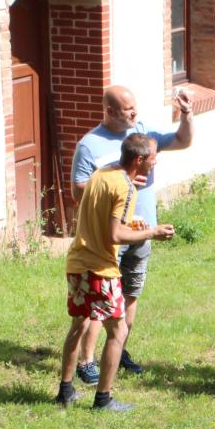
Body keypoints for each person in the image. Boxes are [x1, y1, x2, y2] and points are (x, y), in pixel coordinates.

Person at [71, 85, 194, 380]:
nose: (135, 113)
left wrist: (187, 114)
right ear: (110, 112)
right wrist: (119, 180)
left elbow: (182, 140)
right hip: (109, 237)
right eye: (128, 109)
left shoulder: (142, 132)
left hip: (143, 229)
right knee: (100, 301)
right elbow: (77, 191)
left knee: (130, 293)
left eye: (134, 107)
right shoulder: (90, 145)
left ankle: (118, 349)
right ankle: (87, 361)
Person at [57, 134, 175, 412]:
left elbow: (101, 217)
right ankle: (103, 399)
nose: (155, 162)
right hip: (100, 269)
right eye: (153, 158)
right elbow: (114, 235)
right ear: (139, 160)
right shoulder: (125, 187)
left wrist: (131, 224)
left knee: (78, 325)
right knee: (118, 331)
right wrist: (152, 232)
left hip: (77, 263)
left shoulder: (102, 173)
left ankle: (65, 391)